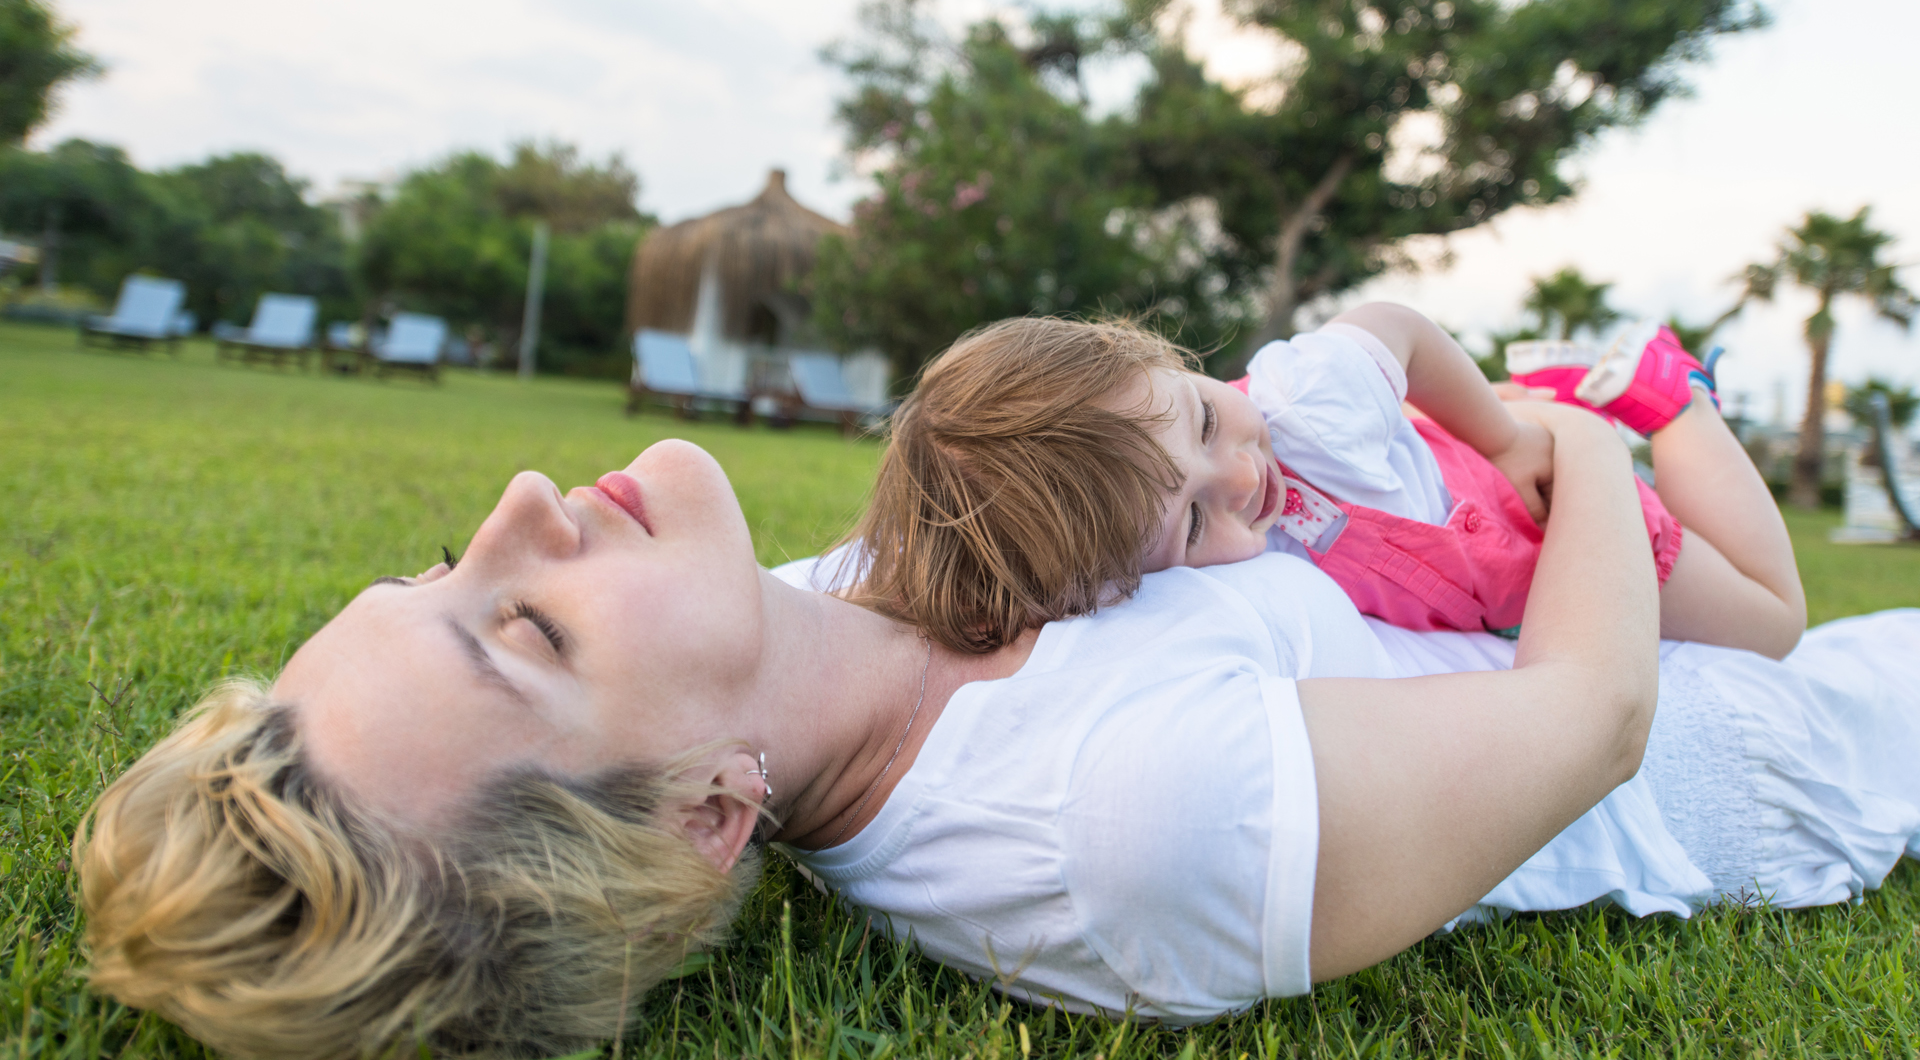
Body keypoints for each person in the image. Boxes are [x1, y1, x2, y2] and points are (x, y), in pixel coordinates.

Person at [76, 416, 1920, 1059]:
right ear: (714, 817)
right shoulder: (1109, 832)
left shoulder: (819, 595)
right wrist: (1585, 450)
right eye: (530, 629)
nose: (525, 504)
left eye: (438, 571)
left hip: (1564, 586)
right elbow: (1585, 719)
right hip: (1763, 749)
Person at [837, 307, 1806, 658]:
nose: (1243, 477)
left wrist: (1506, 436)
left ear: (1154, 356)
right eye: (1191, 521)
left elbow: (1400, 328)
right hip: (1485, 562)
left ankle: (1670, 398)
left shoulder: (1309, 399)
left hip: (1547, 514)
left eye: (1209, 419)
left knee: (1772, 621)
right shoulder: (1118, 557)